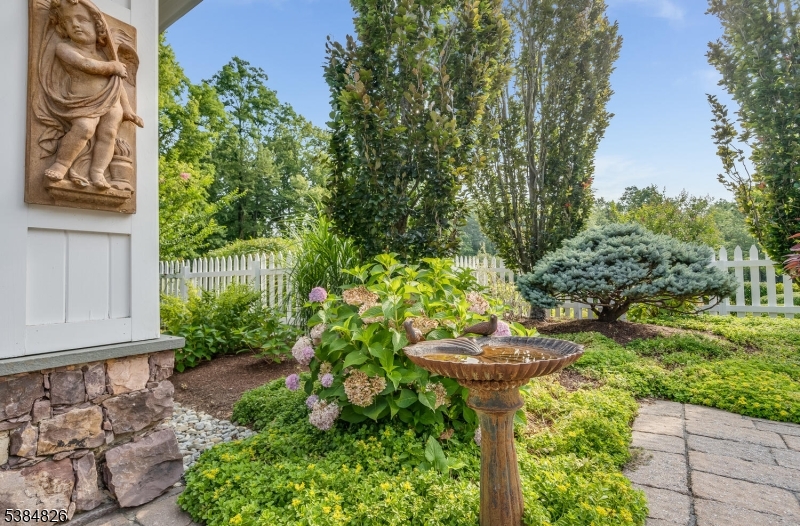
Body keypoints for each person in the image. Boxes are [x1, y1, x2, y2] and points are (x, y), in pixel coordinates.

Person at [39, 0, 142, 189]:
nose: (75, 25)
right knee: (84, 128)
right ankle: (61, 164)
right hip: (83, 101)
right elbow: (86, 65)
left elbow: (117, 86)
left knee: (108, 135)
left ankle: (98, 172)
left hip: (111, 103)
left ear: (98, 27)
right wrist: (112, 66)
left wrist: (127, 109)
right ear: (62, 27)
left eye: (81, 20)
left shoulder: (104, 55)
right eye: (68, 21)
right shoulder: (65, 48)